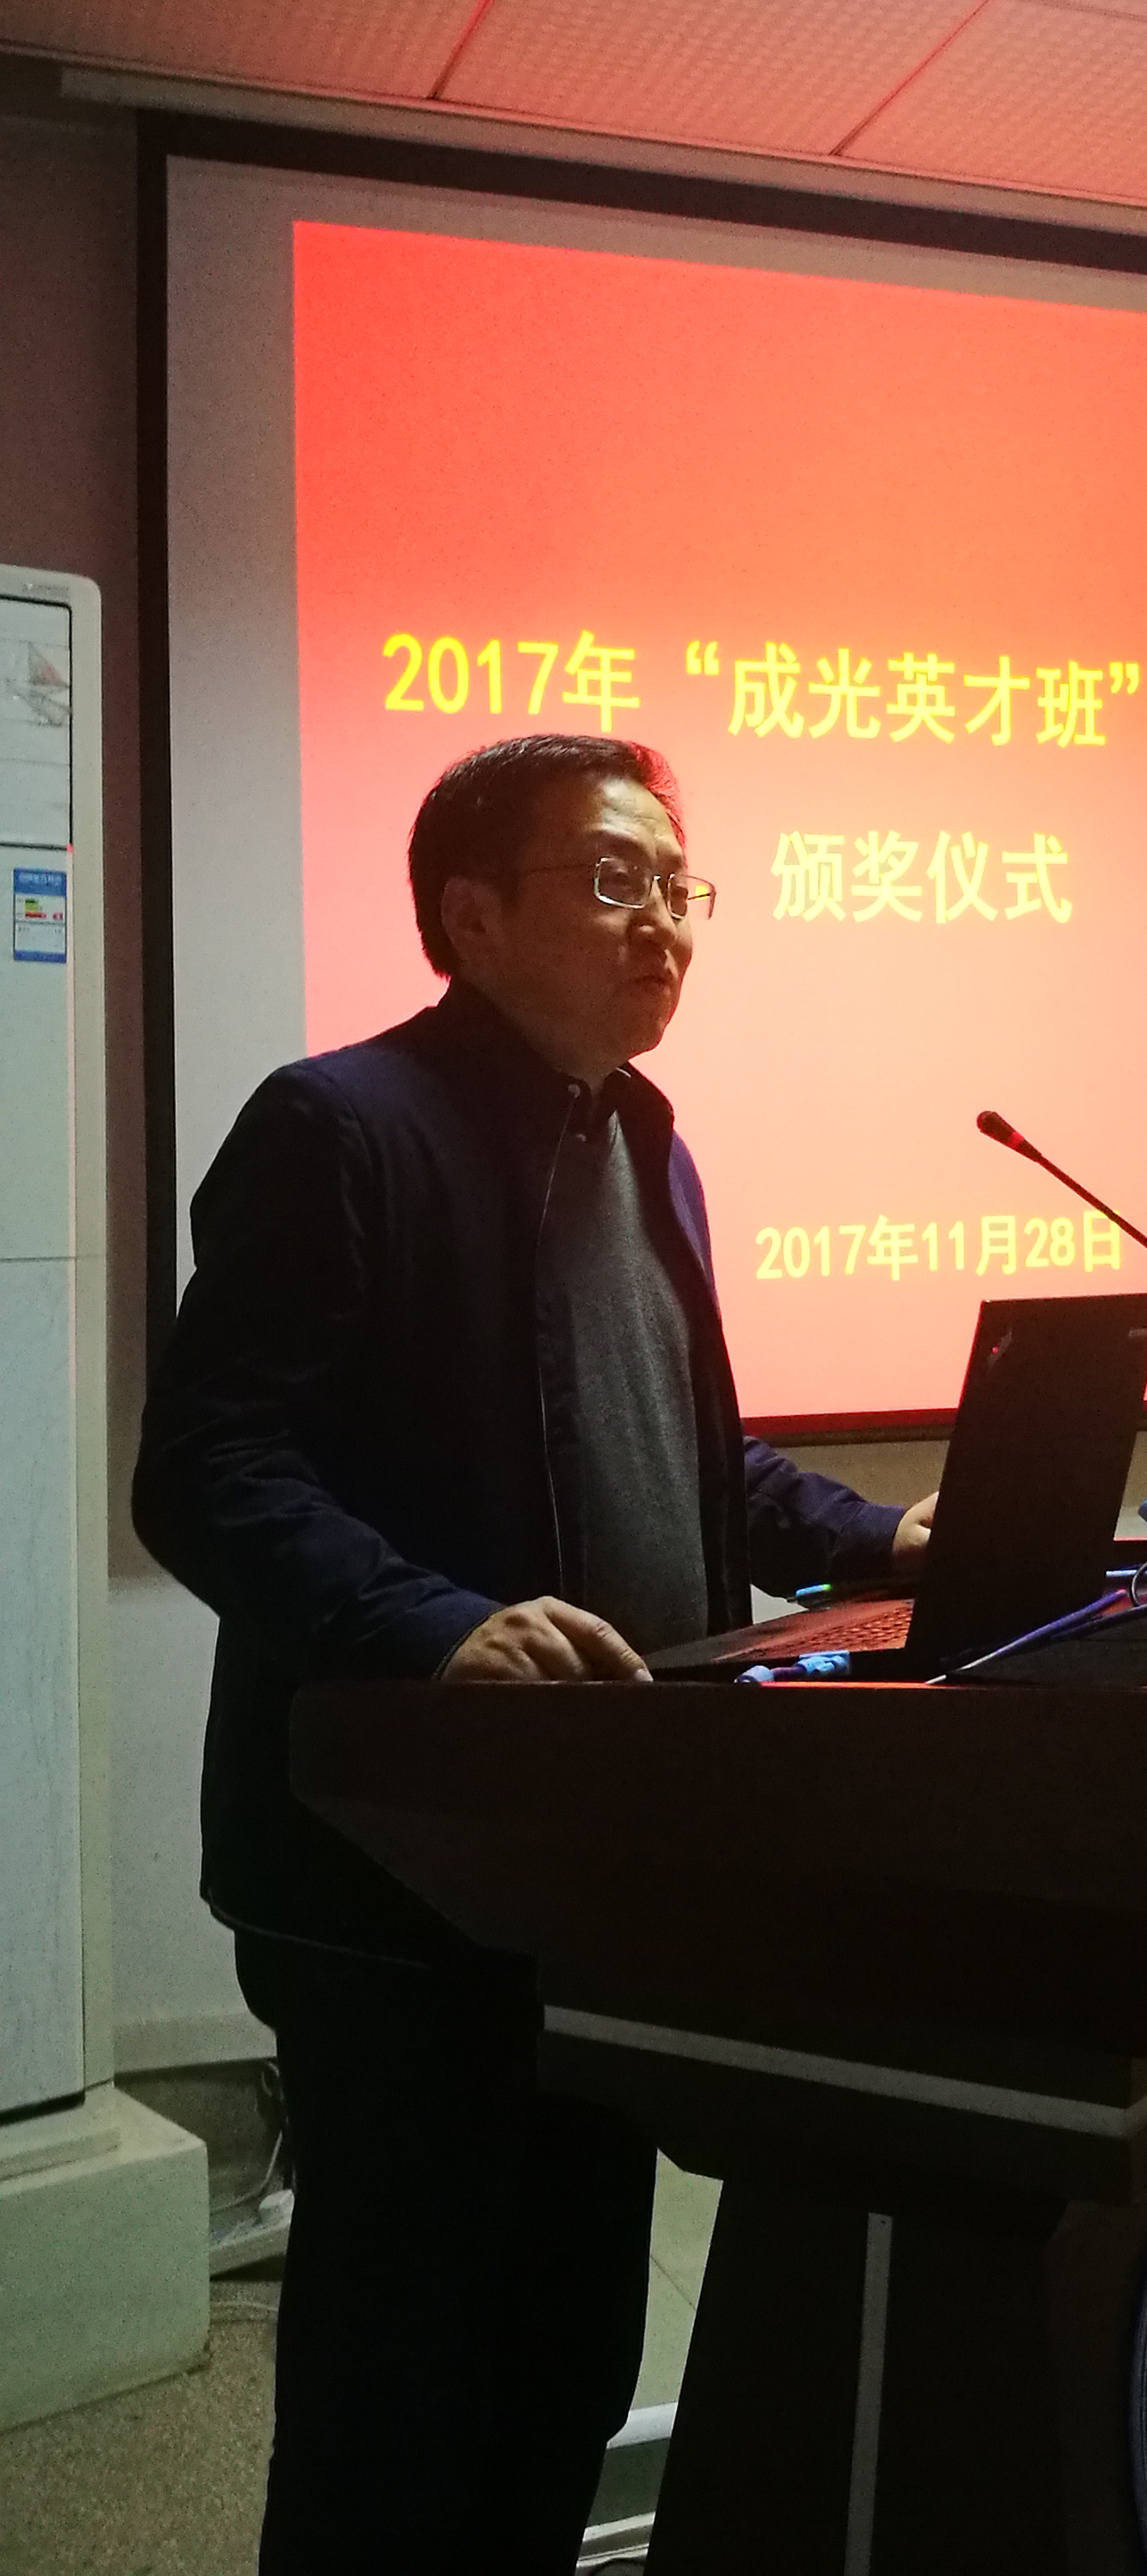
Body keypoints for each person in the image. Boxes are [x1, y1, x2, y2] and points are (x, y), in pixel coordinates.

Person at [132, 733, 935, 2575]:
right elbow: (210, 1468)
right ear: (471, 916)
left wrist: (870, 1535)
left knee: (567, 2348)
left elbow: (684, 1450)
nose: (665, 925)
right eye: (611, 879)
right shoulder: (343, 1126)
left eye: (679, 886)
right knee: (402, 2363)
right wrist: (433, 1624)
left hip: (604, 1846)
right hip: (401, 1868)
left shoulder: (645, 1139)